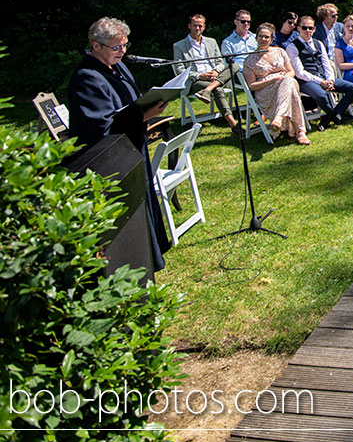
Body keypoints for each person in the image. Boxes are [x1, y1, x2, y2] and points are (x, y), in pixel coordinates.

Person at [68, 17, 171, 270]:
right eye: (116, 47)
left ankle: (150, 254)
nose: (122, 52)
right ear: (96, 46)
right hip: (110, 160)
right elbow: (101, 126)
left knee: (144, 200)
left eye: (125, 45)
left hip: (133, 147)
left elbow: (130, 100)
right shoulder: (86, 78)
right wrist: (143, 115)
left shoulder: (119, 66)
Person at [286, 14, 353, 128]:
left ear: (314, 29)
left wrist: (330, 79)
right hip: (306, 81)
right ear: (298, 28)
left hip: (325, 77)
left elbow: (326, 64)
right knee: (321, 95)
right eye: (304, 28)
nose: (307, 30)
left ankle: (331, 116)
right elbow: (300, 72)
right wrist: (321, 82)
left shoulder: (319, 43)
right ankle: (335, 117)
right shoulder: (292, 47)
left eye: (310, 28)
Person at [242, 23, 311, 144]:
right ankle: (300, 132)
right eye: (261, 36)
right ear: (256, 37)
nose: (263, 39)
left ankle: (279, 117)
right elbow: (252, 86)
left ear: (272, 38)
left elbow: (291, 71)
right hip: (266, 91)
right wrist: (272, 80)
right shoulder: (250, 60)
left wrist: (281, 79)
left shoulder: (280, 52)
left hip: (284, 84)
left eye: (267, 37)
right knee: (291, 88)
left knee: (288, 81)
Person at [172, 14, 240, 131]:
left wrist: (216, 71)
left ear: (204, 27)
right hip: (196, 81)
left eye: (200, 26)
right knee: (217, 88)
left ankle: (207, 91)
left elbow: (220, 61)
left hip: (215, 76)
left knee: (234, 65)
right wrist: (199, 75)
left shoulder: (211, 42)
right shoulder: (179, 45)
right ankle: (233, 124)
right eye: (195, 26)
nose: (197, 28)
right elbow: (179, 70)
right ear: (189, 26)